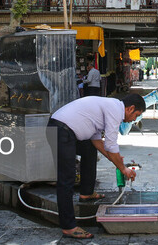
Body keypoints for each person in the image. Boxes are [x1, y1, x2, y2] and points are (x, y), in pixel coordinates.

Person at [47, 93, 146, 239]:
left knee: (89, 148)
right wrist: (123, 168)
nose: (134, 119)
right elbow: (111, 145)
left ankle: (86, 193)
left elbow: (97, 141)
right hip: (60, 130)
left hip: (64, 130)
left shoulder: (110, 107)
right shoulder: (115, 111)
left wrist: (116, 159)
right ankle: (68, 227)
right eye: (136, 115)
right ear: (130, 109)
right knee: (66, 178)